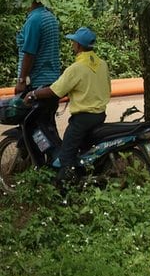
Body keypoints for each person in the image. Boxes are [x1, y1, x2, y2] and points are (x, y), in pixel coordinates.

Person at [26, 27, 110, 185]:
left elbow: (55, 89)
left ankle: (64, 188)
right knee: (81, 147)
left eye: (73, 42)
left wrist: (33, 94)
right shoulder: (102, 64)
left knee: (66, 155)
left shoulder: (76, 68)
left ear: (78, 45)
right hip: (100, 114)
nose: (72, 44)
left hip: (82, 120)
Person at [15, 0, 62, 152]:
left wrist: (21, 80)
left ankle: (44, 163)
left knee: (34, 128)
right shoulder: (49, 17)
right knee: (47, 126)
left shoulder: (34, 20)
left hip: (36, 83)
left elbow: (29, 53)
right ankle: (53, 160)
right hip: (51, 81)